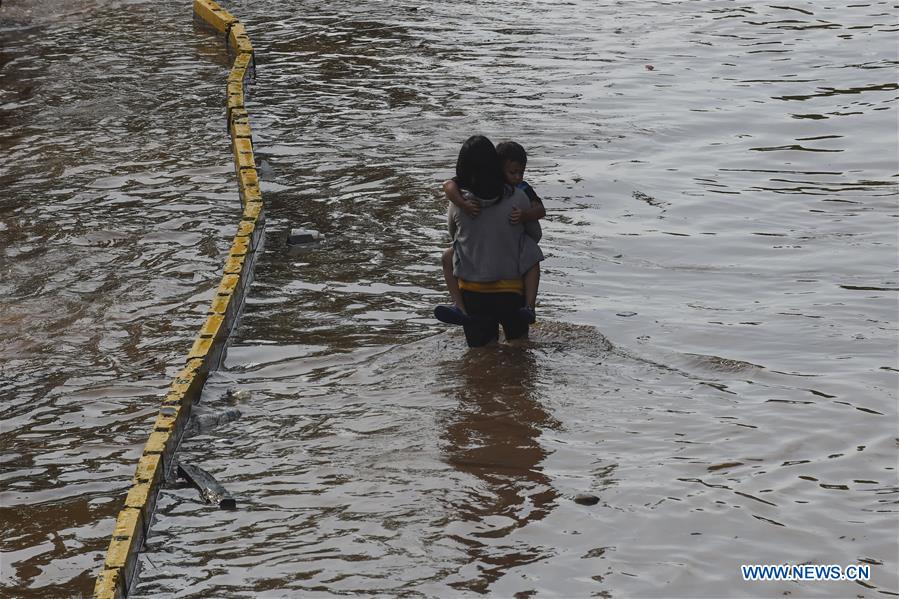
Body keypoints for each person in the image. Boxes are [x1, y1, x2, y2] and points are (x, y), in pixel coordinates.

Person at [434, 135, 544, 347]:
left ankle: (459, 308)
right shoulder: (519, 198)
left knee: (480, 360)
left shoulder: (458, 202)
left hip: (473, 293)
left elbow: (453, 236)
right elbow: (535, 236)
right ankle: (530, 307)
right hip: (512, 292)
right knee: (520, 355)